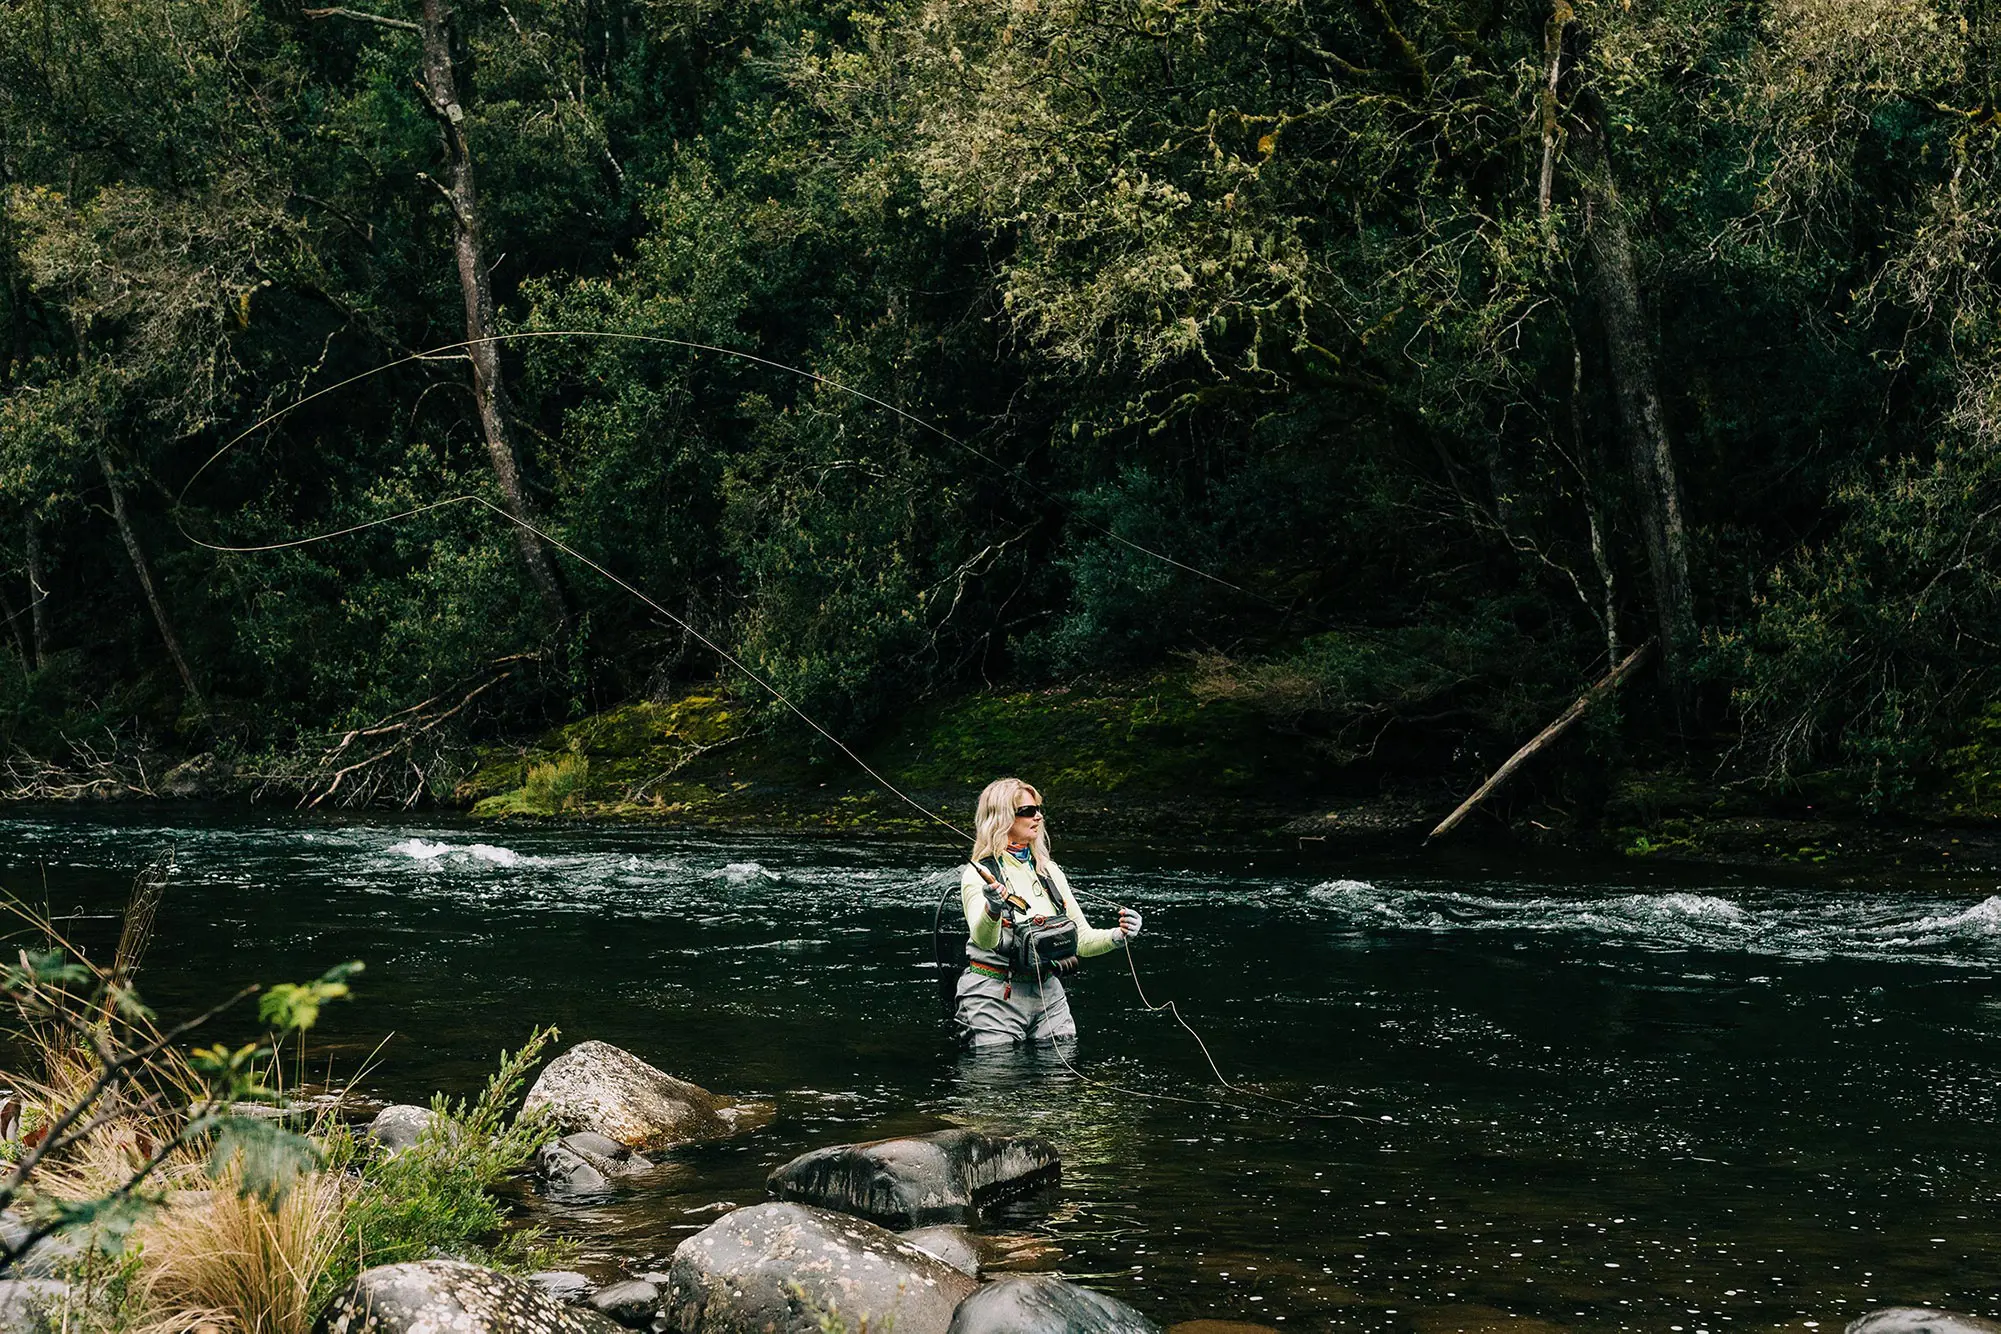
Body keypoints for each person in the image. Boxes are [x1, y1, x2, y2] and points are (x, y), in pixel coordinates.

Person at [954, 777, 1142, 1046]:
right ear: (1002, 818)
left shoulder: (1049, 871)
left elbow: (1083, 942)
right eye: (1028, 811)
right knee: (996, 1079)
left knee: (1058, 1080)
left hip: (1049, 995)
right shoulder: (979, 874)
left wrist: (1120, 935)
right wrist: (993, 907)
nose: (1038, 817)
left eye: (1039, 809)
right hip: (992, 996)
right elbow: (984, 940)